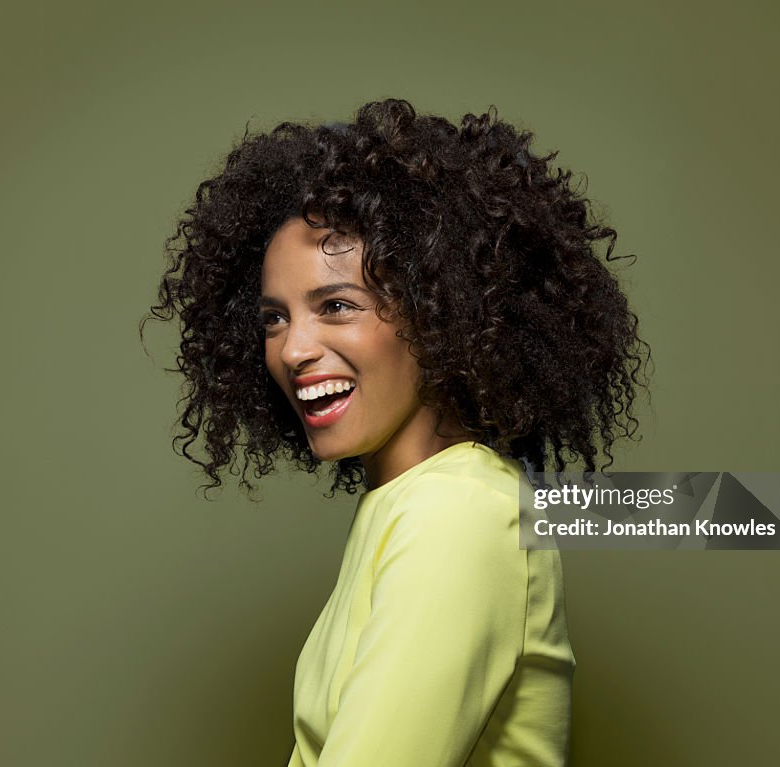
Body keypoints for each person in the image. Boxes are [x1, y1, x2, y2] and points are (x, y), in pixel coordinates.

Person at [142, 98, 648, 765]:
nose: (292, 350)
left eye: (336, 306)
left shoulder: (460, 512)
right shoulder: (410, 504)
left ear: (442, 314)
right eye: (273, 318)